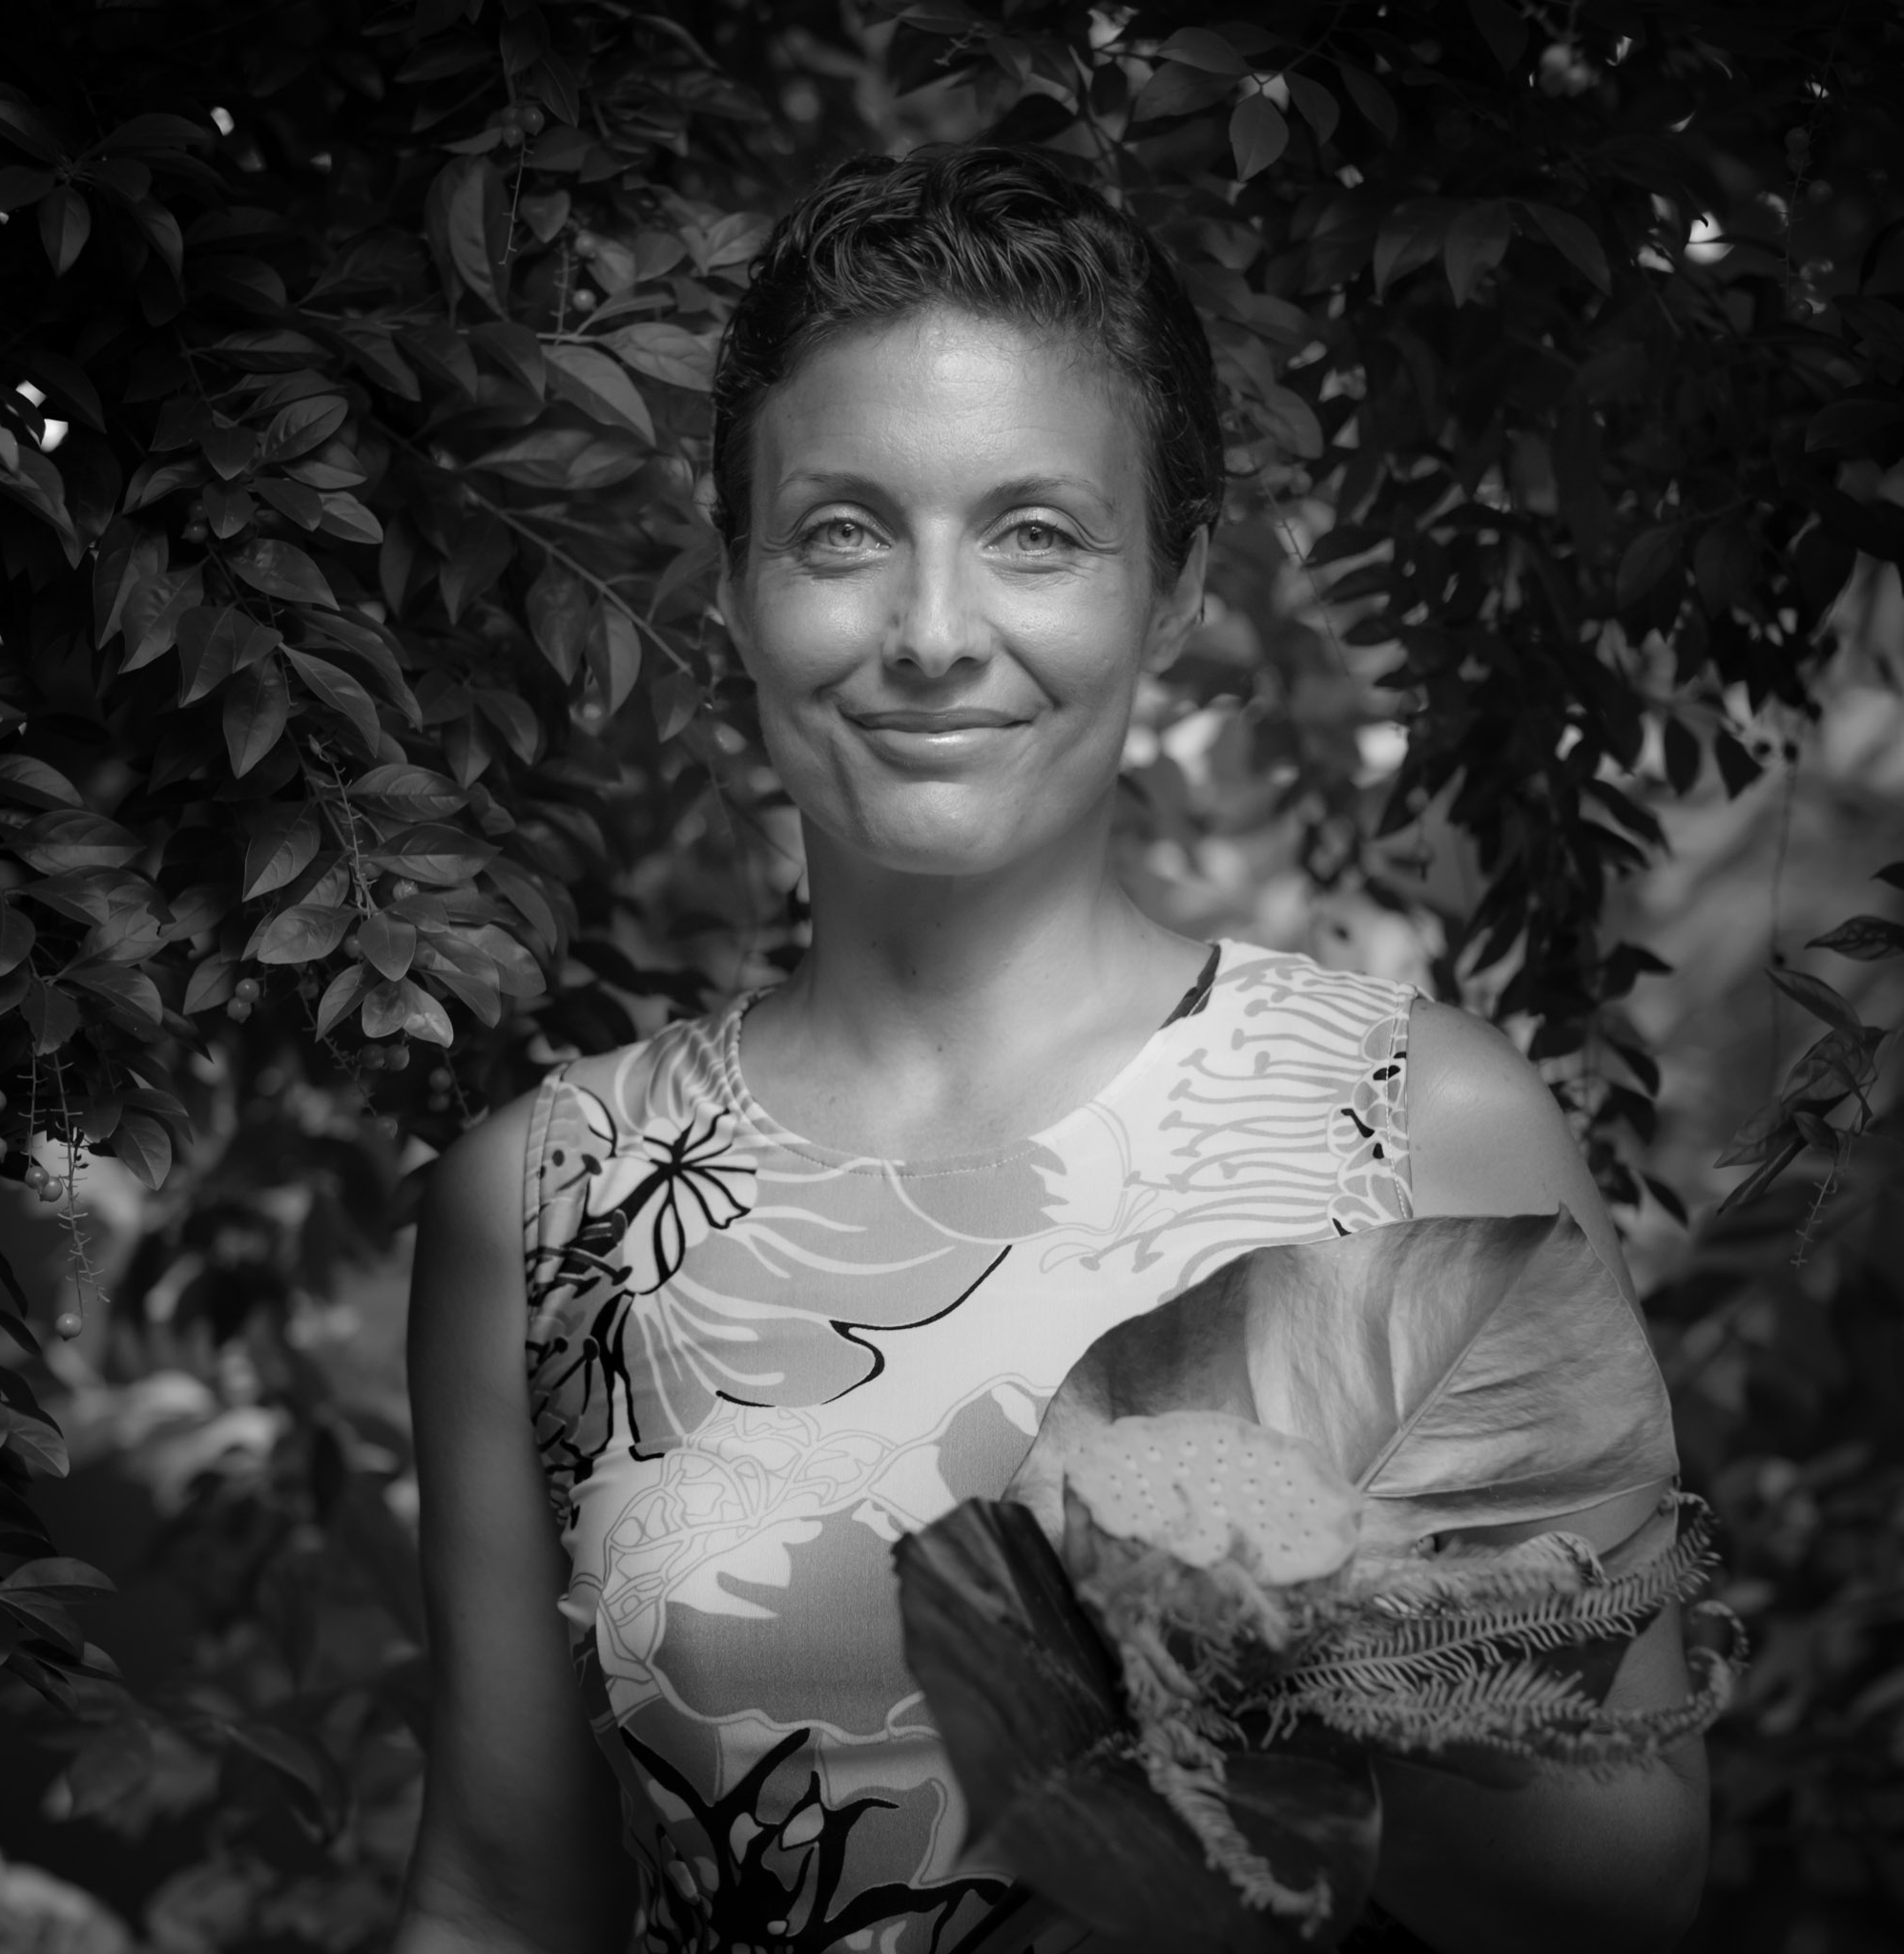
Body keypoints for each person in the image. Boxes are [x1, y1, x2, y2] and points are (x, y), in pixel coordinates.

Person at [394, 147, 1708, 1954]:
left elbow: (1626, 1900)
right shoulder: (554, 1206)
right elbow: (496, 1891)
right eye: (842, 531)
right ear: (736, 585)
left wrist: (1291, 1625)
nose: (935, 634)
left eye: (1037, 532)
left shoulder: (1415, 1121)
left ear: (1171, 587)